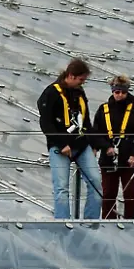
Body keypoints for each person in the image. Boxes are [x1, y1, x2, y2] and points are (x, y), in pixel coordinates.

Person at [37, 58, 102, 220]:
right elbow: (46, 123)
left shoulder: (79, 93)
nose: (82, 83)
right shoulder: (51, 93)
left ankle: (90, 224)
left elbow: (86, 121)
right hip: (60, 148)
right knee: (61, 188)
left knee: (96, 183)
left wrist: (93, 144)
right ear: (71, 76)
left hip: (82, 144)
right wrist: (61, 143)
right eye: (81, 80)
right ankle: (63, 225)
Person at [91, 74, 134, 219]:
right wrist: (105, 147)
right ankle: (108, 222)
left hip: (128, 158)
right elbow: (96, 133)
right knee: (108, 193)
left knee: (130, 194)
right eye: (117, 92)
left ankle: (131, 223)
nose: (120, 95)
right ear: (112, 91)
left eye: (123, 92)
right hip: (108, 157)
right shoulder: (103, 110)